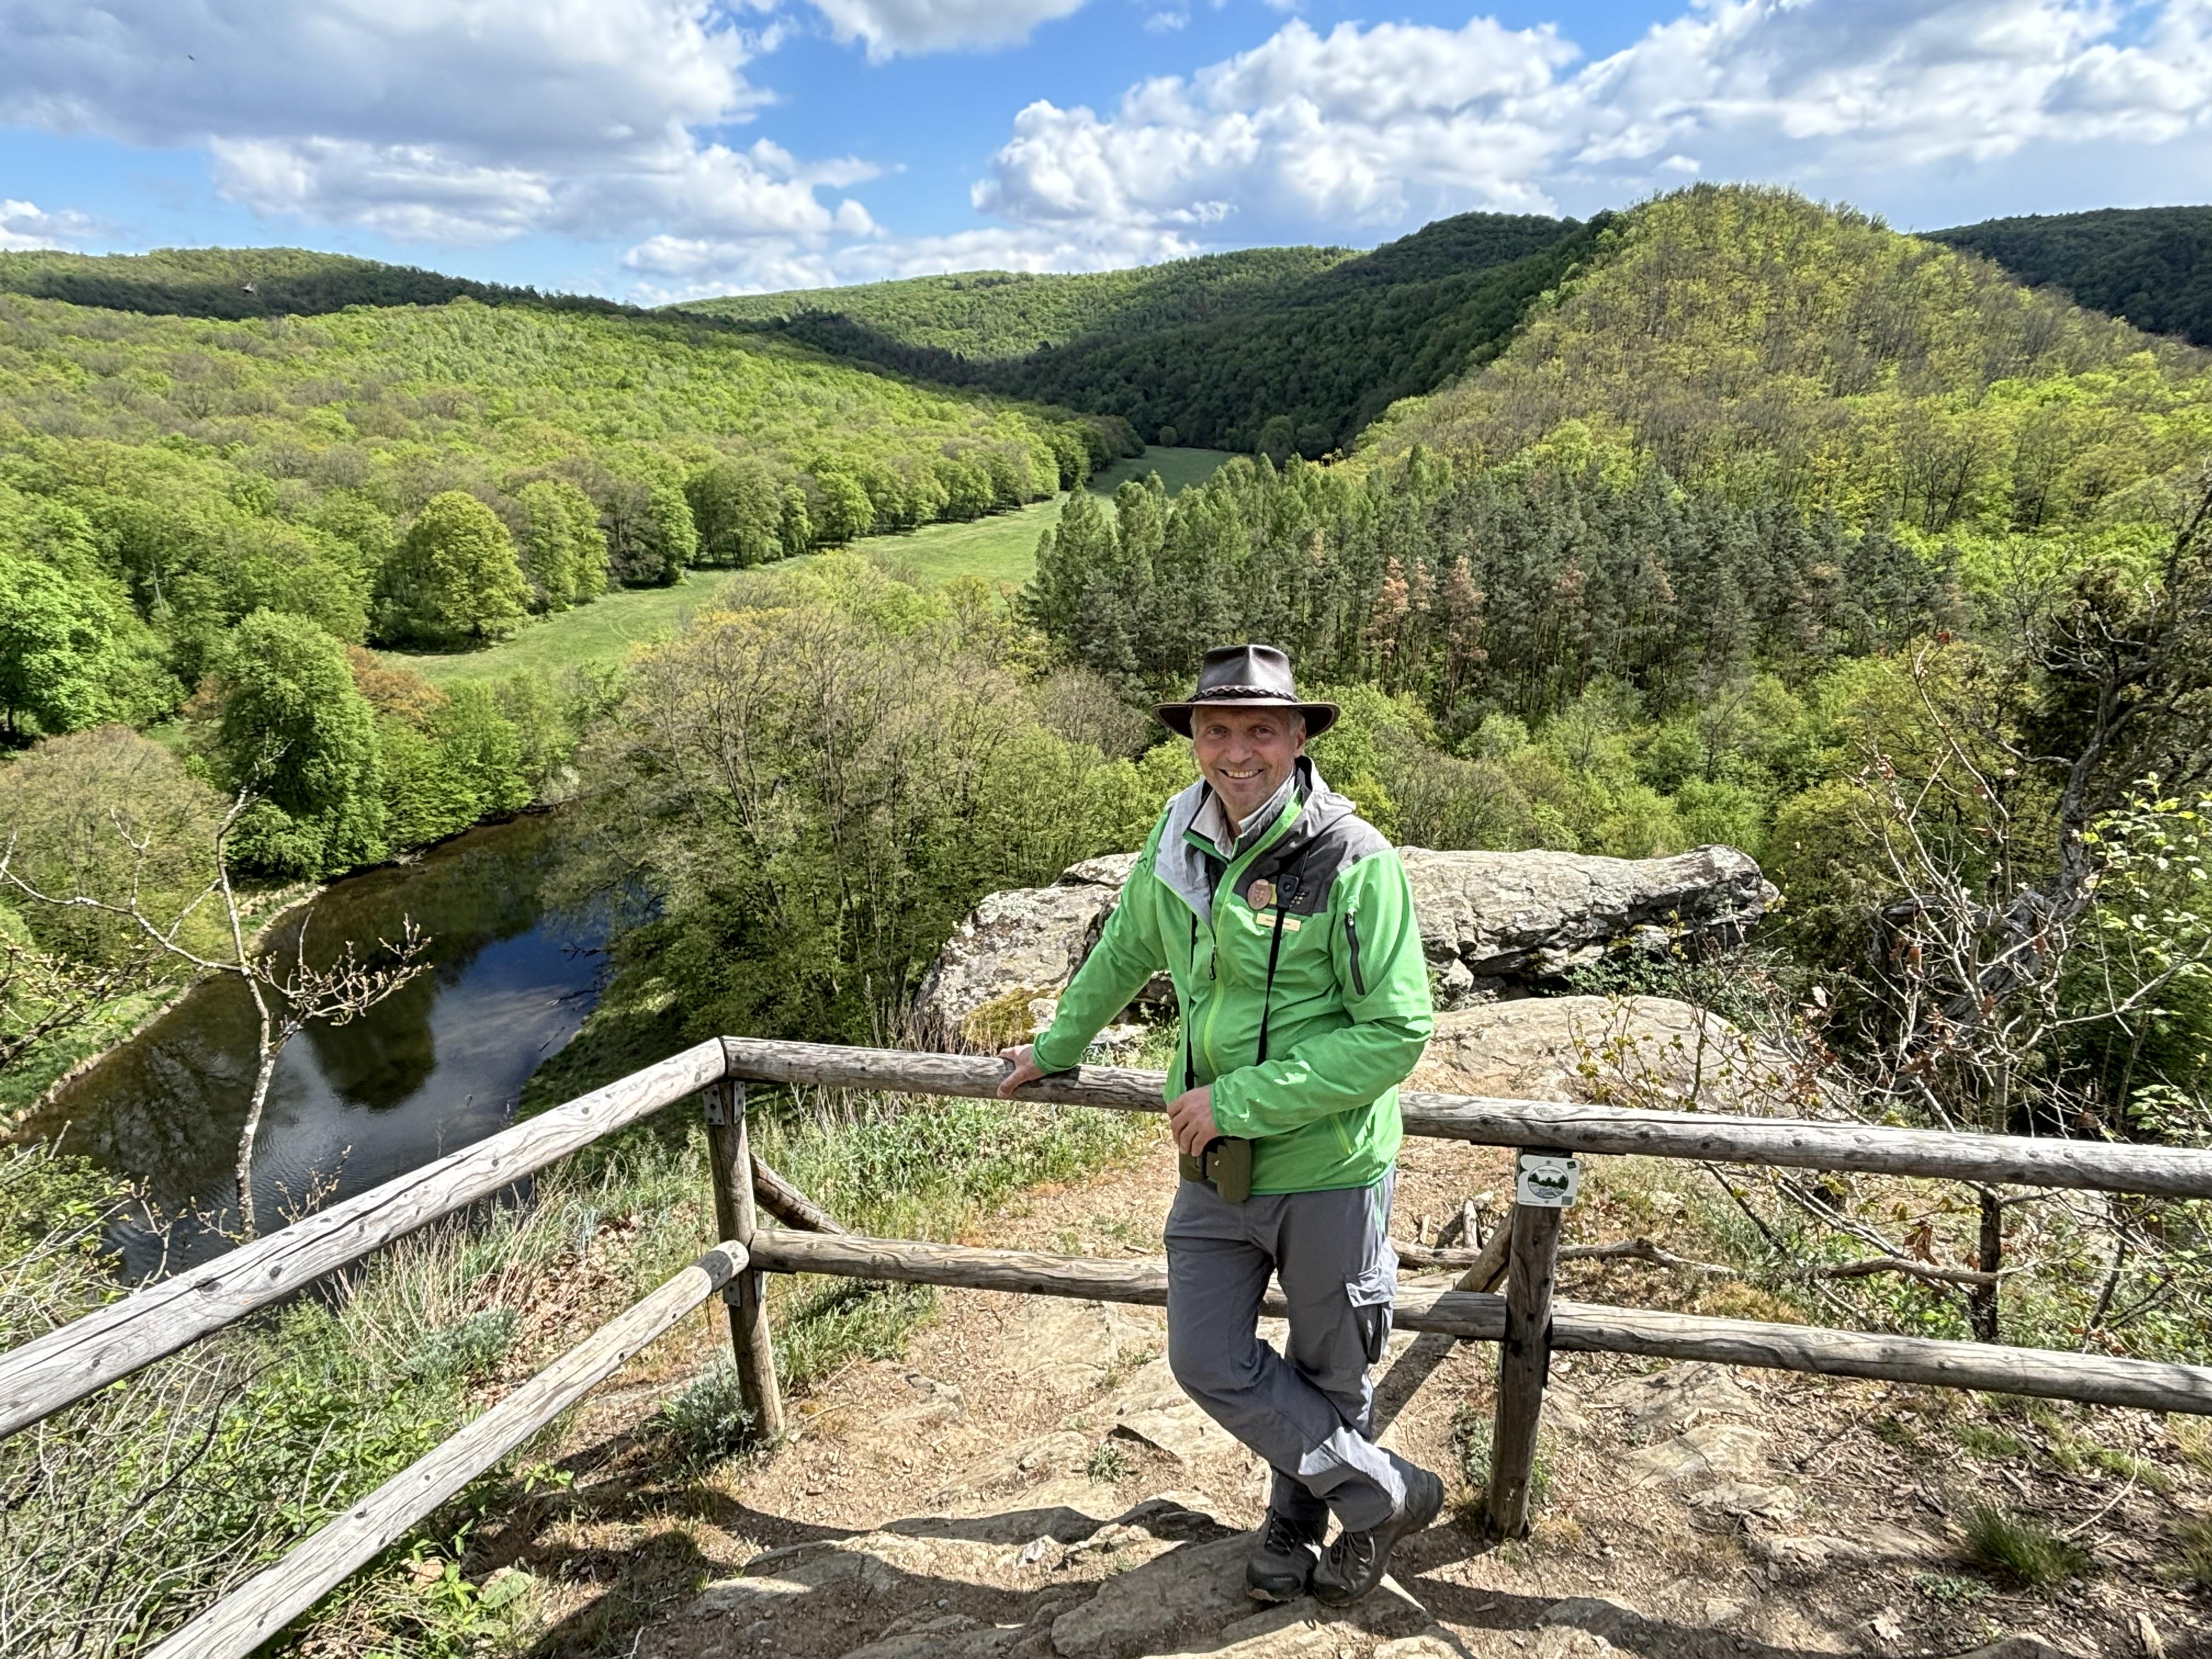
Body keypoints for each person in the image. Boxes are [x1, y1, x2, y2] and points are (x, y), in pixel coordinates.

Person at [997, 642, 1441, 1607]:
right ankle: (1383, 1493)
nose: (1238, 751)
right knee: (1205, 1356)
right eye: (1217, 730)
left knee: (1331, 1365)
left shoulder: (1353, 860)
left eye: (1260, 730)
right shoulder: (1179, 839)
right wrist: (1057, 1045)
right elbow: (1126, 948)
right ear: (1193, 738)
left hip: (1328, 1165)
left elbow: (1397, 1032)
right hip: (1215, 1171)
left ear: (1298, 738)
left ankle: (1302, 1520)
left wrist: (1236, 1101)